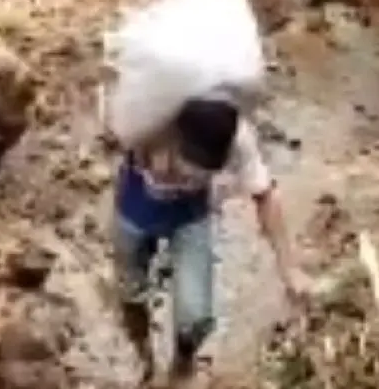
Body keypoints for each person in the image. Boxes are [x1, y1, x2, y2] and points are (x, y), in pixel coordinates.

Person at [113, 87, 310, 386]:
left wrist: (289, 268)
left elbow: (266, 196)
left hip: (190, 214)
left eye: (202, 168)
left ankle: (182, 364)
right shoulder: (147, 119)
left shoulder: (239, 138)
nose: (189, 173)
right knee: (130, 293)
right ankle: (143, 356)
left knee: (195, 318)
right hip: (135, 206)